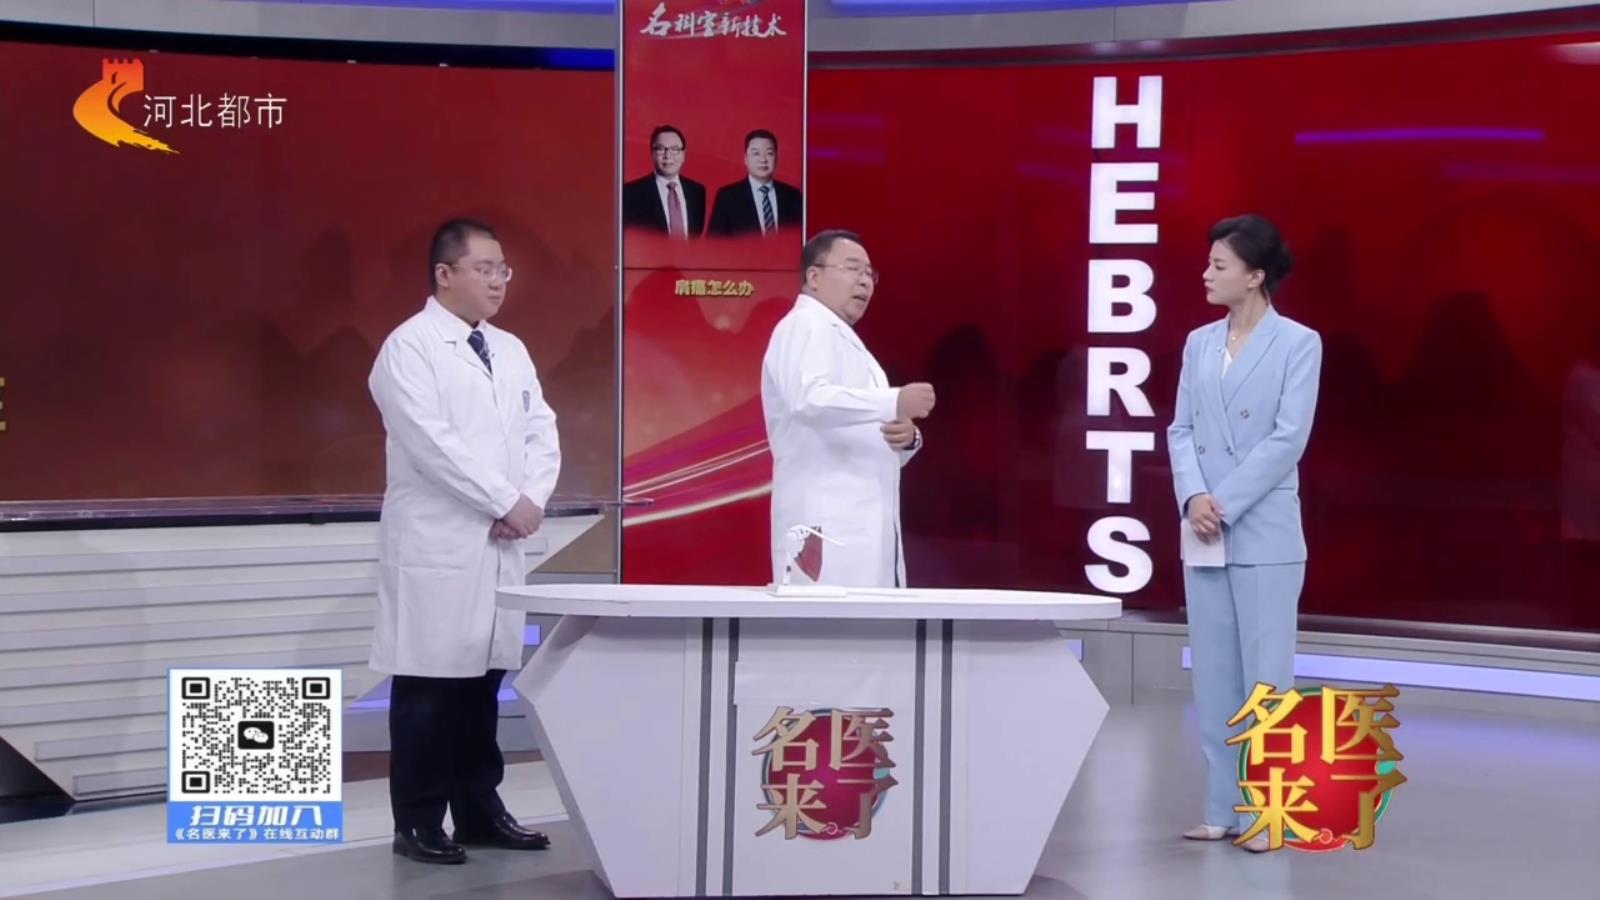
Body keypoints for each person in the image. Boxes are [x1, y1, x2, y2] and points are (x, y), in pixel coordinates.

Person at [368, 218, 561, 864]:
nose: (498, 281)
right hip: (440, 542)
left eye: (503, 269)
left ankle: (479, 809)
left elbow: (542, 431)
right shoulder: (409, 347)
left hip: (500, 541)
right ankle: (418, 821)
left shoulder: (510, 349)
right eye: (484, 269)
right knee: (429, 688)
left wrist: (530, 501)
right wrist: (504, 501)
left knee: (483, 684)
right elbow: (432, 444)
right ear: (444, 274)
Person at [1166, 214, 1322, 853]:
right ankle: (1219, 807)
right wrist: (1193, 496)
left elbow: (1288, 438)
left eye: (1219, 265)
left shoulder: (1299, 343)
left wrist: (1223, 501)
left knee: (1267, 678)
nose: (1205, 274)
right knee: (1214, 674)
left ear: (1255, 276)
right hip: (1204, 529)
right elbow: (1180, 429)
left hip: (1262, 530)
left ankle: (1267, 812)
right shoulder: (1198, 343)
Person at [760, 229, 934, 587]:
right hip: (826, 526)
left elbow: (861, 429)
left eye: (870, 273)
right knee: (828, 621)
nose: (865, 281)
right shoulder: (804, 325)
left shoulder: (845, 341)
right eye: (853, 268)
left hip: (866, 529)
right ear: (814, 277)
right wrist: (892, 400)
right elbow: (807, 397)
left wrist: (906, 438)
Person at [707, 129, 803, 238]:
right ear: (746, 159)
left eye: (769, 153)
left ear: (776, 159)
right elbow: (715, 242)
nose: (763, 159)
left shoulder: (792, 195)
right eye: (756, 153)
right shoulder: (727, 197)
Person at [621, 124, 707, 238]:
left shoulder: (697, 192)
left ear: (683, 155)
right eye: (661, 149)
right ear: (652, 154)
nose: (668, 155)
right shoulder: (631, 193)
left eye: (674, 149)